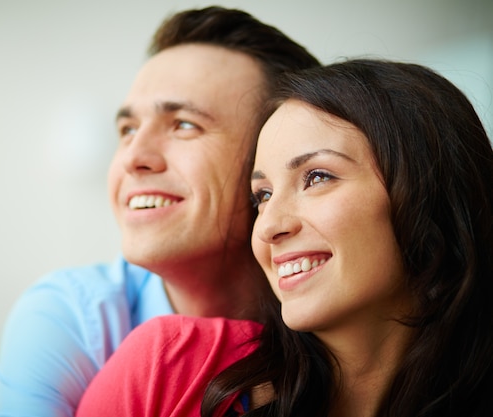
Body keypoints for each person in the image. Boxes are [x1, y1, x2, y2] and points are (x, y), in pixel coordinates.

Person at [75, 59, 493, 417]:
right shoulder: (168, 366)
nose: (270, 226)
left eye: (317, 177)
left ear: (428, 197)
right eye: (263, 196)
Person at [0, 6, 320, 417]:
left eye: (184, 124)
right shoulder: (66, 320)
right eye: (128, 130)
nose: (134, 157)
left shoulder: (339, 320)